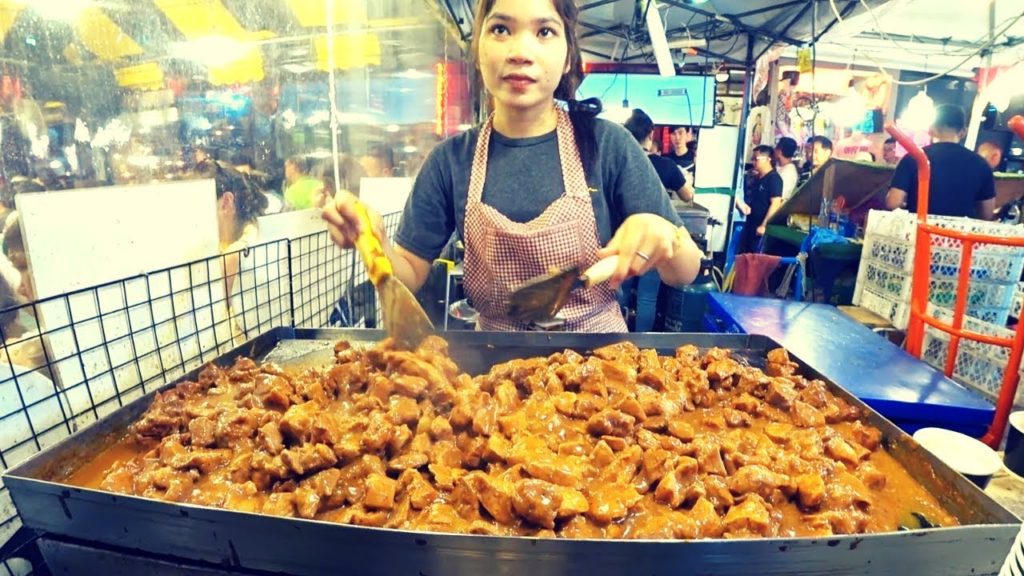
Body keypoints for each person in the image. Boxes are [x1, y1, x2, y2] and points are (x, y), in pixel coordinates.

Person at [323, 0, 702, 332]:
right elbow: (409, 272)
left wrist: (665, 236)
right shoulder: (451, 161)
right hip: (493, 365)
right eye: (501, 29)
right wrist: (374, 242)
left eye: (545, 32)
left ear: (568, 55)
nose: (521, 51)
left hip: (600, 368)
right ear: (478, 49)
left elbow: (686, 272)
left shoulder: (608, 146)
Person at [885, 105, 995, 220]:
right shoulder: (981, 164)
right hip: (959, 235)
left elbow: (893, 202)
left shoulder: (913, 158)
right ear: (963, 132)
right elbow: (986, 214)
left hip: (919, 233)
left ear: (930, 129)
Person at [624, 110, 693, 203]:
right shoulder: (666, 165)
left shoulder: (616, 164)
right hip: (656, 216)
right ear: (651, 134)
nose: (677, 137)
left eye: (680, 133)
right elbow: (687, 196)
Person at [737, 145, 783, 255]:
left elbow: (775, 203)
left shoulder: (774, 179)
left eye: (756, 159)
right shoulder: (757, 177)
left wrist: (764, 225)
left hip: (760, 227)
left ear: (768, 159)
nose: (753, 162)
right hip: (750, 223)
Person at [774, 137, 799, 202]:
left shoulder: (788, 173)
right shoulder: (778, 166)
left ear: (779, 151)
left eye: (776, 147)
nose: (774, 150)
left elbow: (780, 197)